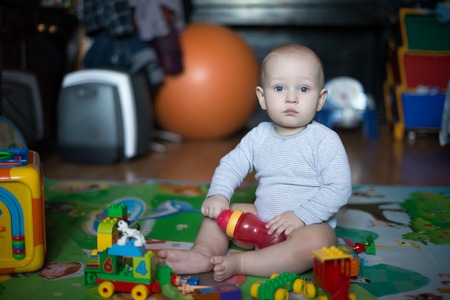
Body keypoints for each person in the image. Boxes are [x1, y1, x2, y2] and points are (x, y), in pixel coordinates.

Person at [157, 44, 352, 282]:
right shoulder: (258, 136)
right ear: (262, 97)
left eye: (303, 88)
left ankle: (241, 262)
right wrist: (218, 194)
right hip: (261, 219)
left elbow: (339, 189)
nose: (291, 97)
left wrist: (301, 216)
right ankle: (203, 253)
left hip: (306, 225)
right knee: (218, 215)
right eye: (279, 88)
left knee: (317, 242)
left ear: (320, 100)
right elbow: (231, 165)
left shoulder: (324, 140)